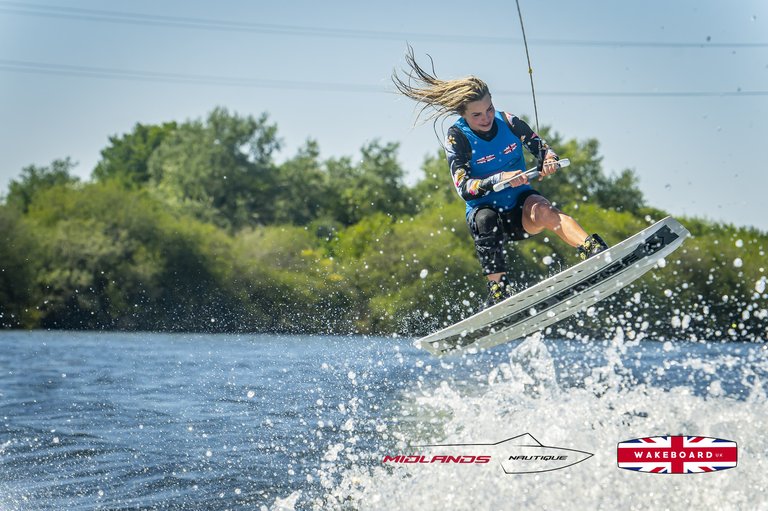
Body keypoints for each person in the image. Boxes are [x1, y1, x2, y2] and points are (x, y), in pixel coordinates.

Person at [393, 48, 608, 308]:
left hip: (521, 210)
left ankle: (593, 250)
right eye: (476, 115)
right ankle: (499, 290)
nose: (486, 118)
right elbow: (464, 187)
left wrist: (549, 159)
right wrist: (499, 178)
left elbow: (542, 149)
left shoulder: (508, 121)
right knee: (486, 218)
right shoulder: (457, 137)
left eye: (489, 109)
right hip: (486, 216)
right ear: (463, 114)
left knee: (544, 209)